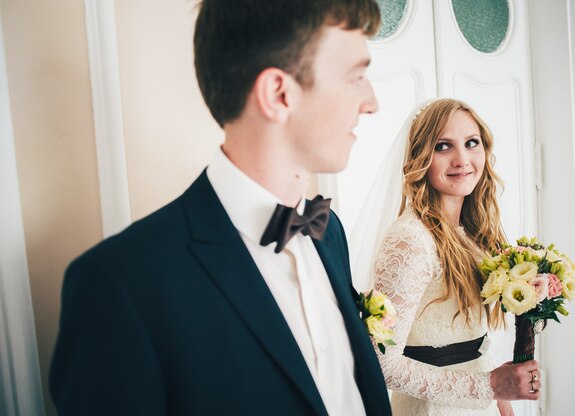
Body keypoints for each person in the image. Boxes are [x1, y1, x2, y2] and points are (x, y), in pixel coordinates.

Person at [49, 1, 392, 415]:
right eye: (356, 76)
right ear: (278, 94)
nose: (371, 102)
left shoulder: (329, 232)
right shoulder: (121, 286)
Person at [371, 98, 541, 416]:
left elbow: (475, 345)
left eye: (471, 143)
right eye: (443, 146)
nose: (462, 159)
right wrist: (489, 386)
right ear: (420, 157)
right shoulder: (411, 240)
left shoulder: (471, 233)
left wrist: (502, 404)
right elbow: (381, 362)